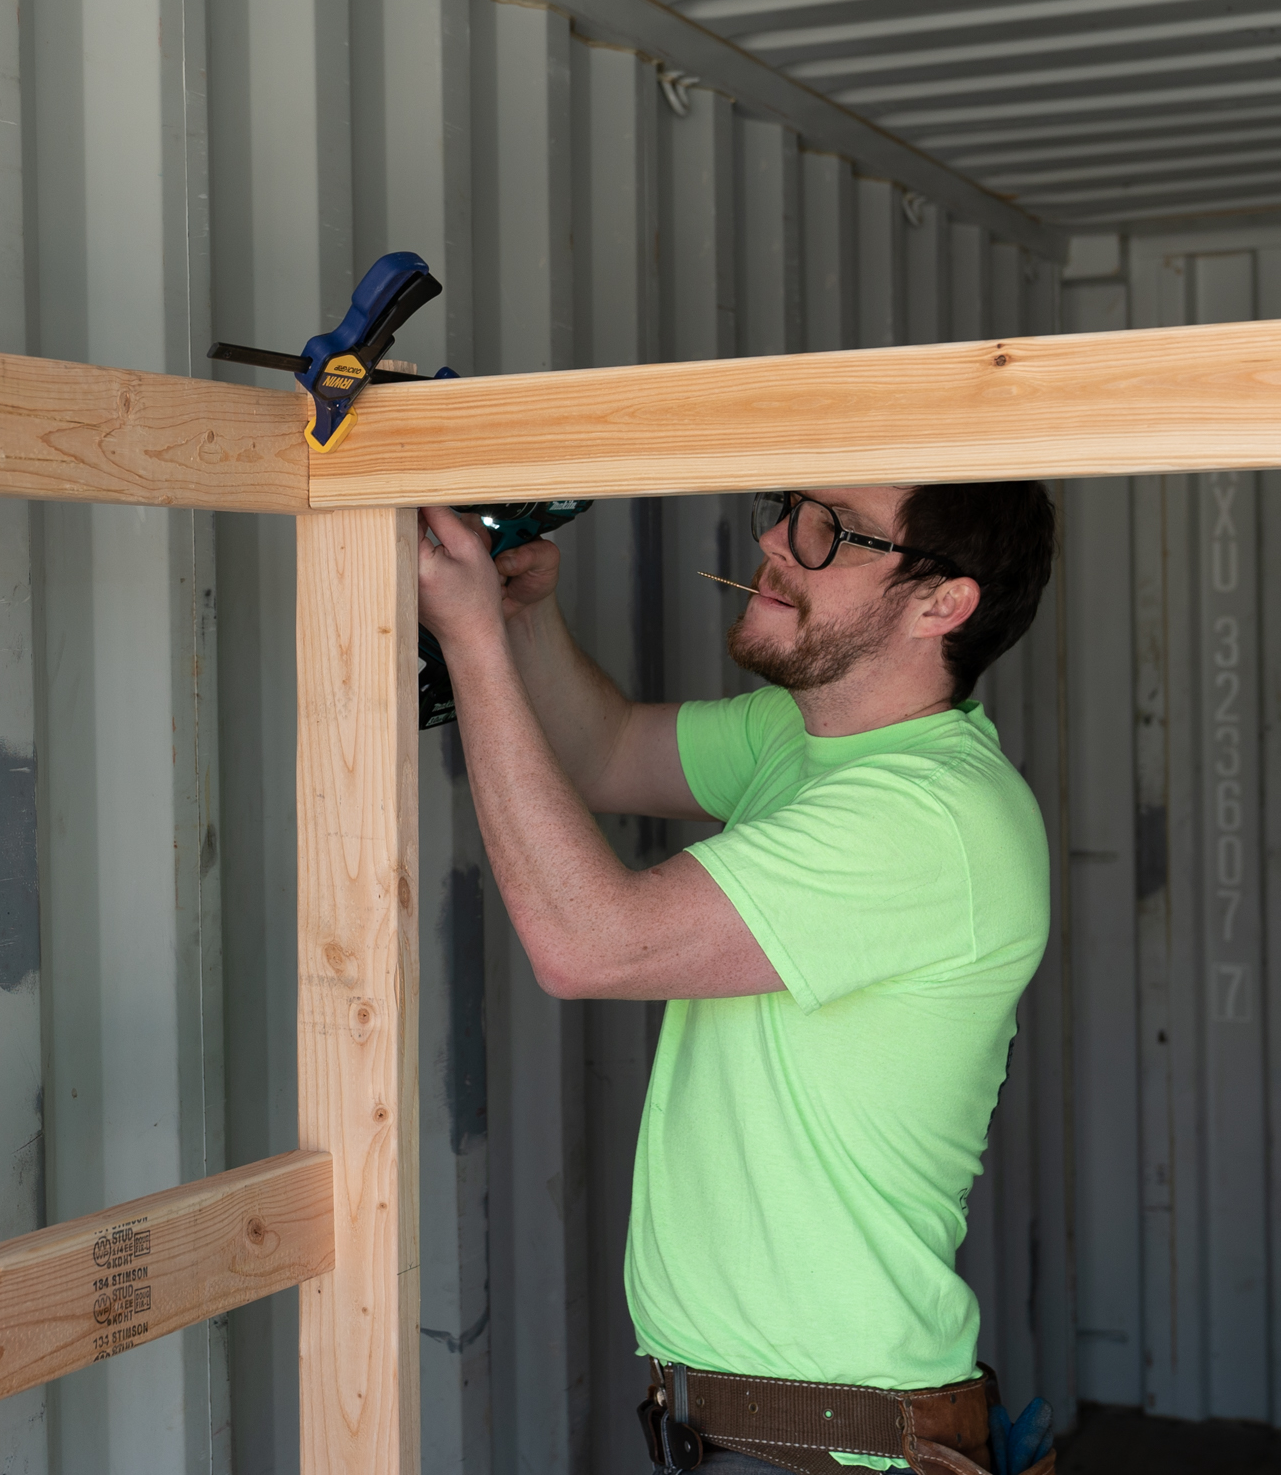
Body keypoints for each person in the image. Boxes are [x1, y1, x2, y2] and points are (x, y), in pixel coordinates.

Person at [413, 483, 1060, 1475]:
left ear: (943, 602)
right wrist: (521, 618)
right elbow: (609, 749)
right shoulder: (803, 739)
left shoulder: (929, 818)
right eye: (788, 508)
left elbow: (590, 943)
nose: (772, 539)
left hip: (822, 1441)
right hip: (759, 1428)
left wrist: (469, 641)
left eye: (827, 529)